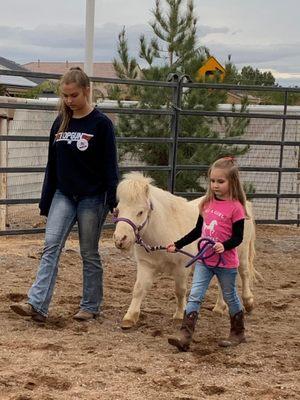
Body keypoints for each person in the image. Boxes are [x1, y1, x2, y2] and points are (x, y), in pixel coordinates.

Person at [10, 67, 119, 322]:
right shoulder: (60, 122)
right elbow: (53, 164)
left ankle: (90, 305)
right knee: (51, 246)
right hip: (64, 195)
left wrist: (113, 200)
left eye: (74, 95)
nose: (69, 101)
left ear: (87, 91)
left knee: (88, 252)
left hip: (93, 197)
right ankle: (37, 304)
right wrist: (46, 200)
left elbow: (110, 166)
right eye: (65, 96)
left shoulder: (102, 125)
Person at [166, 157, 247, 351]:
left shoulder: (236, 208)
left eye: (221, 181)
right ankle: (185, 335)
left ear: (232, 182)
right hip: (205, 260)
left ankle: (238, 332)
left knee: (230, 297)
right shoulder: (206, 204)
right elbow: (197, 231)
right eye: (212, 181)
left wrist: (224, 246)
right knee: (195, 295)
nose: (215, 185)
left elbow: (238, 238)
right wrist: (177, 244)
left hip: (226, 263)